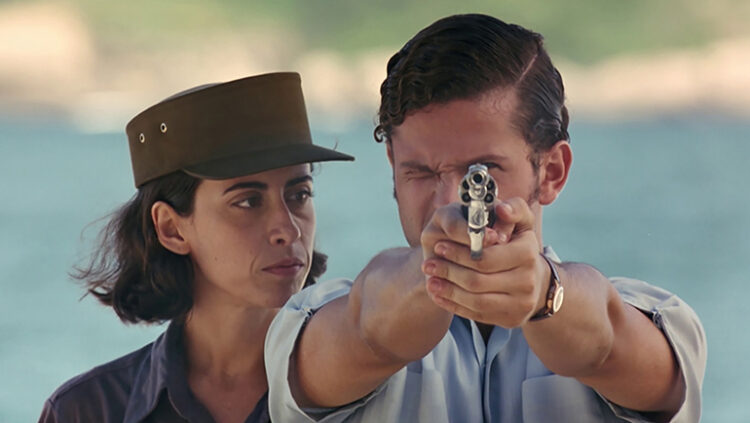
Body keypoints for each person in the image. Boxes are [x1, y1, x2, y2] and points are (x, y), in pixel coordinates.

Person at [265, 14, 706, 423]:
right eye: (421, 173)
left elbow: (609, 342)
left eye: (482, 171)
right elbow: (368, 328)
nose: (448, 202)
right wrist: (436, 275)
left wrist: (544, 295)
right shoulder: (308, 321)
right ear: (393, 170)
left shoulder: (659, 322)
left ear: (552, 172)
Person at [38, 72, 353, 423]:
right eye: (248, 202)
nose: (288, 230)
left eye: (299, 195)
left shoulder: (367, 392)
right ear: (171, 228)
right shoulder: (88, 411)